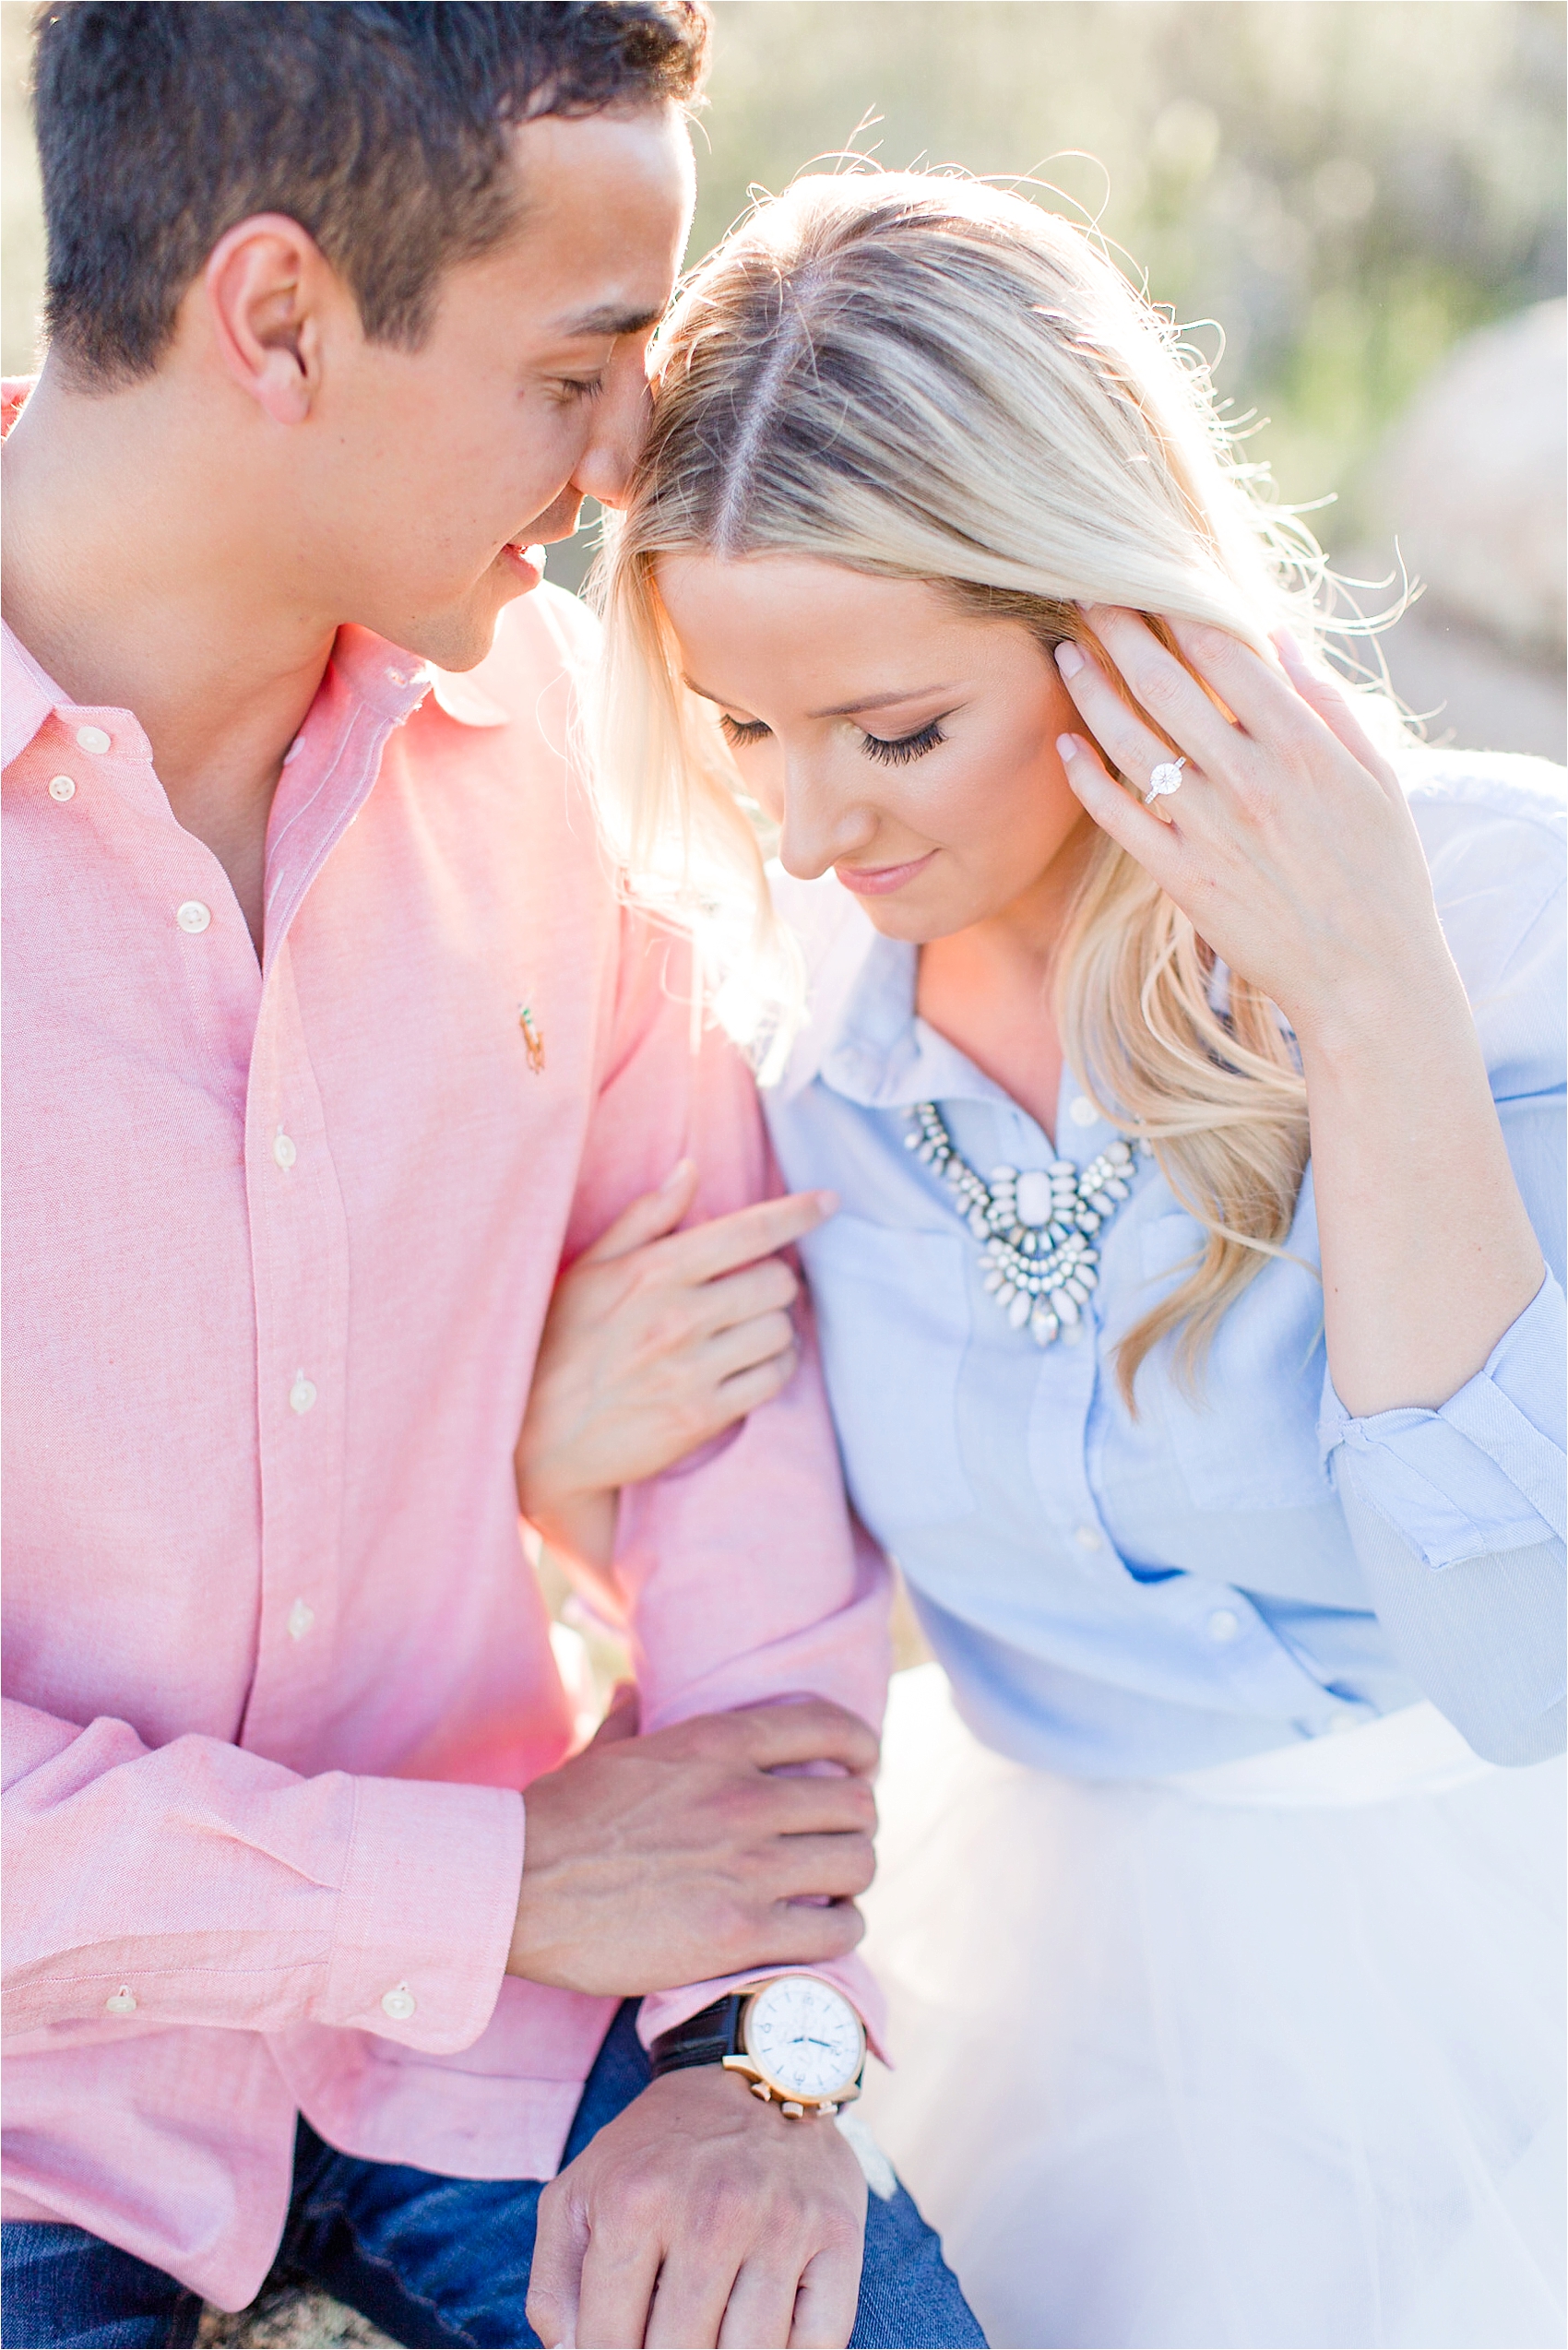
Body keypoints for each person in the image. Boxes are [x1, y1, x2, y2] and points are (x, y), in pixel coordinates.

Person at [0, 14, 985, 2347]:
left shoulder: (552, 741)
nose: (634, 452)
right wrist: (495, 1877)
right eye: (581, 362)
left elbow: (736, 1431)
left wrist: (751, 2036)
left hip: (506, 2052)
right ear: (277, 319)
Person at [516, 172, 1567, 2348]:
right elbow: (777, 1592)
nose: (807, 828)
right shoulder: (778, 1022)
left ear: (1119, 628)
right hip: (1066, 1973)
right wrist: (547, 1464)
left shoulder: (1503, 923)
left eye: (895, 731)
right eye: (739, 728)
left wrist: (1362, 999)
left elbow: (1518, 1650)